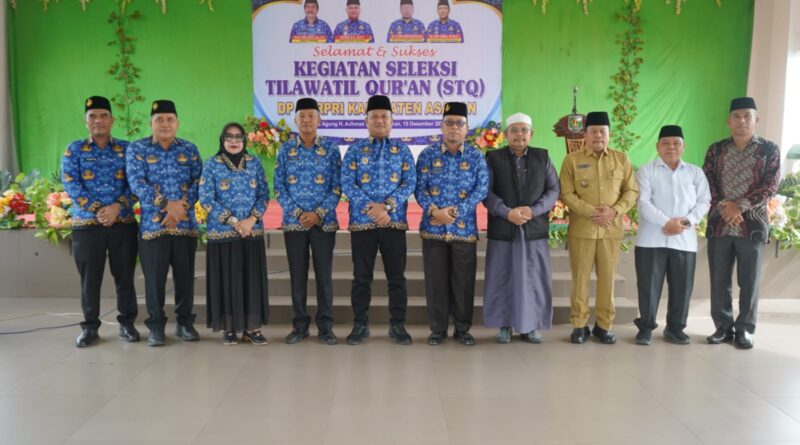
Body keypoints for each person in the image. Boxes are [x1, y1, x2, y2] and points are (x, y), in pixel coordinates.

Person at [703, 97, 780, 350]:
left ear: (756, 120)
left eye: (747, 116)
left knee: (749, 282)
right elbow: (707, 181)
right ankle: (722, 327)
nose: (742, 120)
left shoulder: (769, 150)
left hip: (752, 226)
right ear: (729, 121)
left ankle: (745, 329)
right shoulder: (716, 150)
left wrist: (740, 207)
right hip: (720, 225)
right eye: (736, 116)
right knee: (719, 281)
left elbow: (770, 186)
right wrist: (726, 207)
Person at [61, 95, 139, 347]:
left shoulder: (127, 149)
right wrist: (98, 210)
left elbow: (137, 183)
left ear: (112, 120)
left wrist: (117, 207)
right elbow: (71, 184)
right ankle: (90, 327)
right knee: (90, 279)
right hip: (87, 226)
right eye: (92, 116)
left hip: (122, 224)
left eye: (103, 115)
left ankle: (127, 324)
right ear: (86, 121)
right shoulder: (74, 149)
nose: (98, 120)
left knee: (125, 277)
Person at [341, 95, 416, 345]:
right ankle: (360, 324)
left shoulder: (402, 150)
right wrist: (372, 209)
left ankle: (398, 325)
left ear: (392, 121)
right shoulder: (354, 150)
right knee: (361, 277)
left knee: (397, 278)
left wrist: (387, 207)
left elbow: (409, 183)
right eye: (375, 117)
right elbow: (347, 183)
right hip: (362, 224)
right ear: (366, 121)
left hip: (394, 223)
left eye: (385, 116)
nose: (380, 120)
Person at [126, 99, 203, 346]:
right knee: (154, 281)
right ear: (151, 123)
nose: (165, 124)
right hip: (153, 228)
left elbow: (199, 182)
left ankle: (185, 323)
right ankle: (156, 326)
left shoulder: (189, 149)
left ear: (177, 123)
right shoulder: (138, 149)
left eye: (170, 119)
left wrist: (180, 208)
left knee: (185, 279)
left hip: (185, 226)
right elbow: (137, 183)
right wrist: (167, 205)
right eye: (159, 120)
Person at [559, 111, 638, 345]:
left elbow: (631, 191)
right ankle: (579, 325)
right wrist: (591, 211)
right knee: (580, 279)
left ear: (609, 134)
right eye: (593, 131)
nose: (598, 136)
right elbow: (566, 193)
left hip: (611, 230)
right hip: (582, 230)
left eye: (602, 131)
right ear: (585, 134)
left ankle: (604, 326)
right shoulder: (571, 160)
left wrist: (614, 211)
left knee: (607, 279)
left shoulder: (622, 159)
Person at [415, 102, 488, 346]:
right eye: (449, 123)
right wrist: (435, 210)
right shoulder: (427, 155)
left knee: (463, 283)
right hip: (433, 229)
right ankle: (437, 329)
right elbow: (419, 188)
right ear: (441, 126)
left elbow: (481, 190)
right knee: (435, 282)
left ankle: (462, 329)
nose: (454, 127)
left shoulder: (476, 157)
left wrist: (455, 212)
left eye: (459, 123)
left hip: (463, 230)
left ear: (467, 128)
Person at [483, 112, 560, 344]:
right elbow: (486, 192)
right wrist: (507, 212)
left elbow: (553, 190)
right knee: (502, 277)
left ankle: (531, 325)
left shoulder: (542, 157)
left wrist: (533, 211)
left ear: (531, 134)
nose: (519, 135)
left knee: (533, 278)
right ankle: (504, 326)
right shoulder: (493, 158)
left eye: (524, 130)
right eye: (514, 130)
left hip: (533, 228)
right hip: (503, 228)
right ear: (506, 134)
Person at [634, 125, 710, 345]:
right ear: (657, 146)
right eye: (666, 143)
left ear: (683, 147)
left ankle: (675, 329)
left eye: (676, 143)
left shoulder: (695, 172)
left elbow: (704, 201)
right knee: (649, 287)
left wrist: (683, 223)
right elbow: (643, 202)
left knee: (682, 288)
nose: (671, 147)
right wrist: (666, 223)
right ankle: (646, 328)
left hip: (684, 241)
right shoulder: (647, 171)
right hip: (651, 240)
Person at [274, 98, 342, 345]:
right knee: (298, 276)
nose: (306, 120)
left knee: (324, 277)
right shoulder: (285, 150)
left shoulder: (331, 150)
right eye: (301, 116)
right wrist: (298, 213)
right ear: (295, 120)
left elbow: (337, 186)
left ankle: (326, 327)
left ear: (319, 119)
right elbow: (279, 187)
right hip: (295, 224)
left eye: (311, 115)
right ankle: (300, 326)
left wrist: (318, 214)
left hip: (324, 223)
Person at [199, 122, 270, 346]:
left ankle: (252, 328)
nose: (233, 141)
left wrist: (251, 220)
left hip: (251, 232)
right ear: (222, 140)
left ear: (244, 140)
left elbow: (264, 195)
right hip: (223, 233)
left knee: (251, 281)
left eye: (238, 137)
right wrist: (233, 221)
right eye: (229, 137)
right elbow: (206, 198)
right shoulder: (212, 164)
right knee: (226, 281)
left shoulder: (254, 162)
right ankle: (228, 328)